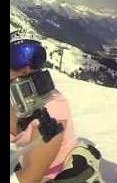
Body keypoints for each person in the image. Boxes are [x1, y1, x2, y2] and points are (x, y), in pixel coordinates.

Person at [10, 32, 102, 183]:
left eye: (35, 58)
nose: (27, 68)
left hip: (56, 175)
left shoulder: (52, 107)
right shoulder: (16, 99)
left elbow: (31, 177)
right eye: (16, 58)